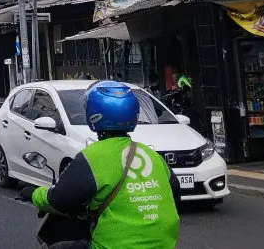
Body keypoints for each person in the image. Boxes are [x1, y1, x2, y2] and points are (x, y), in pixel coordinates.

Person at [18, 81, 180, 249]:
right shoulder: (152, 155)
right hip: (164, 243)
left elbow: (59, 198)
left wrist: (34, 194)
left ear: (93, 113)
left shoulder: (93, 156)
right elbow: (174, 192)